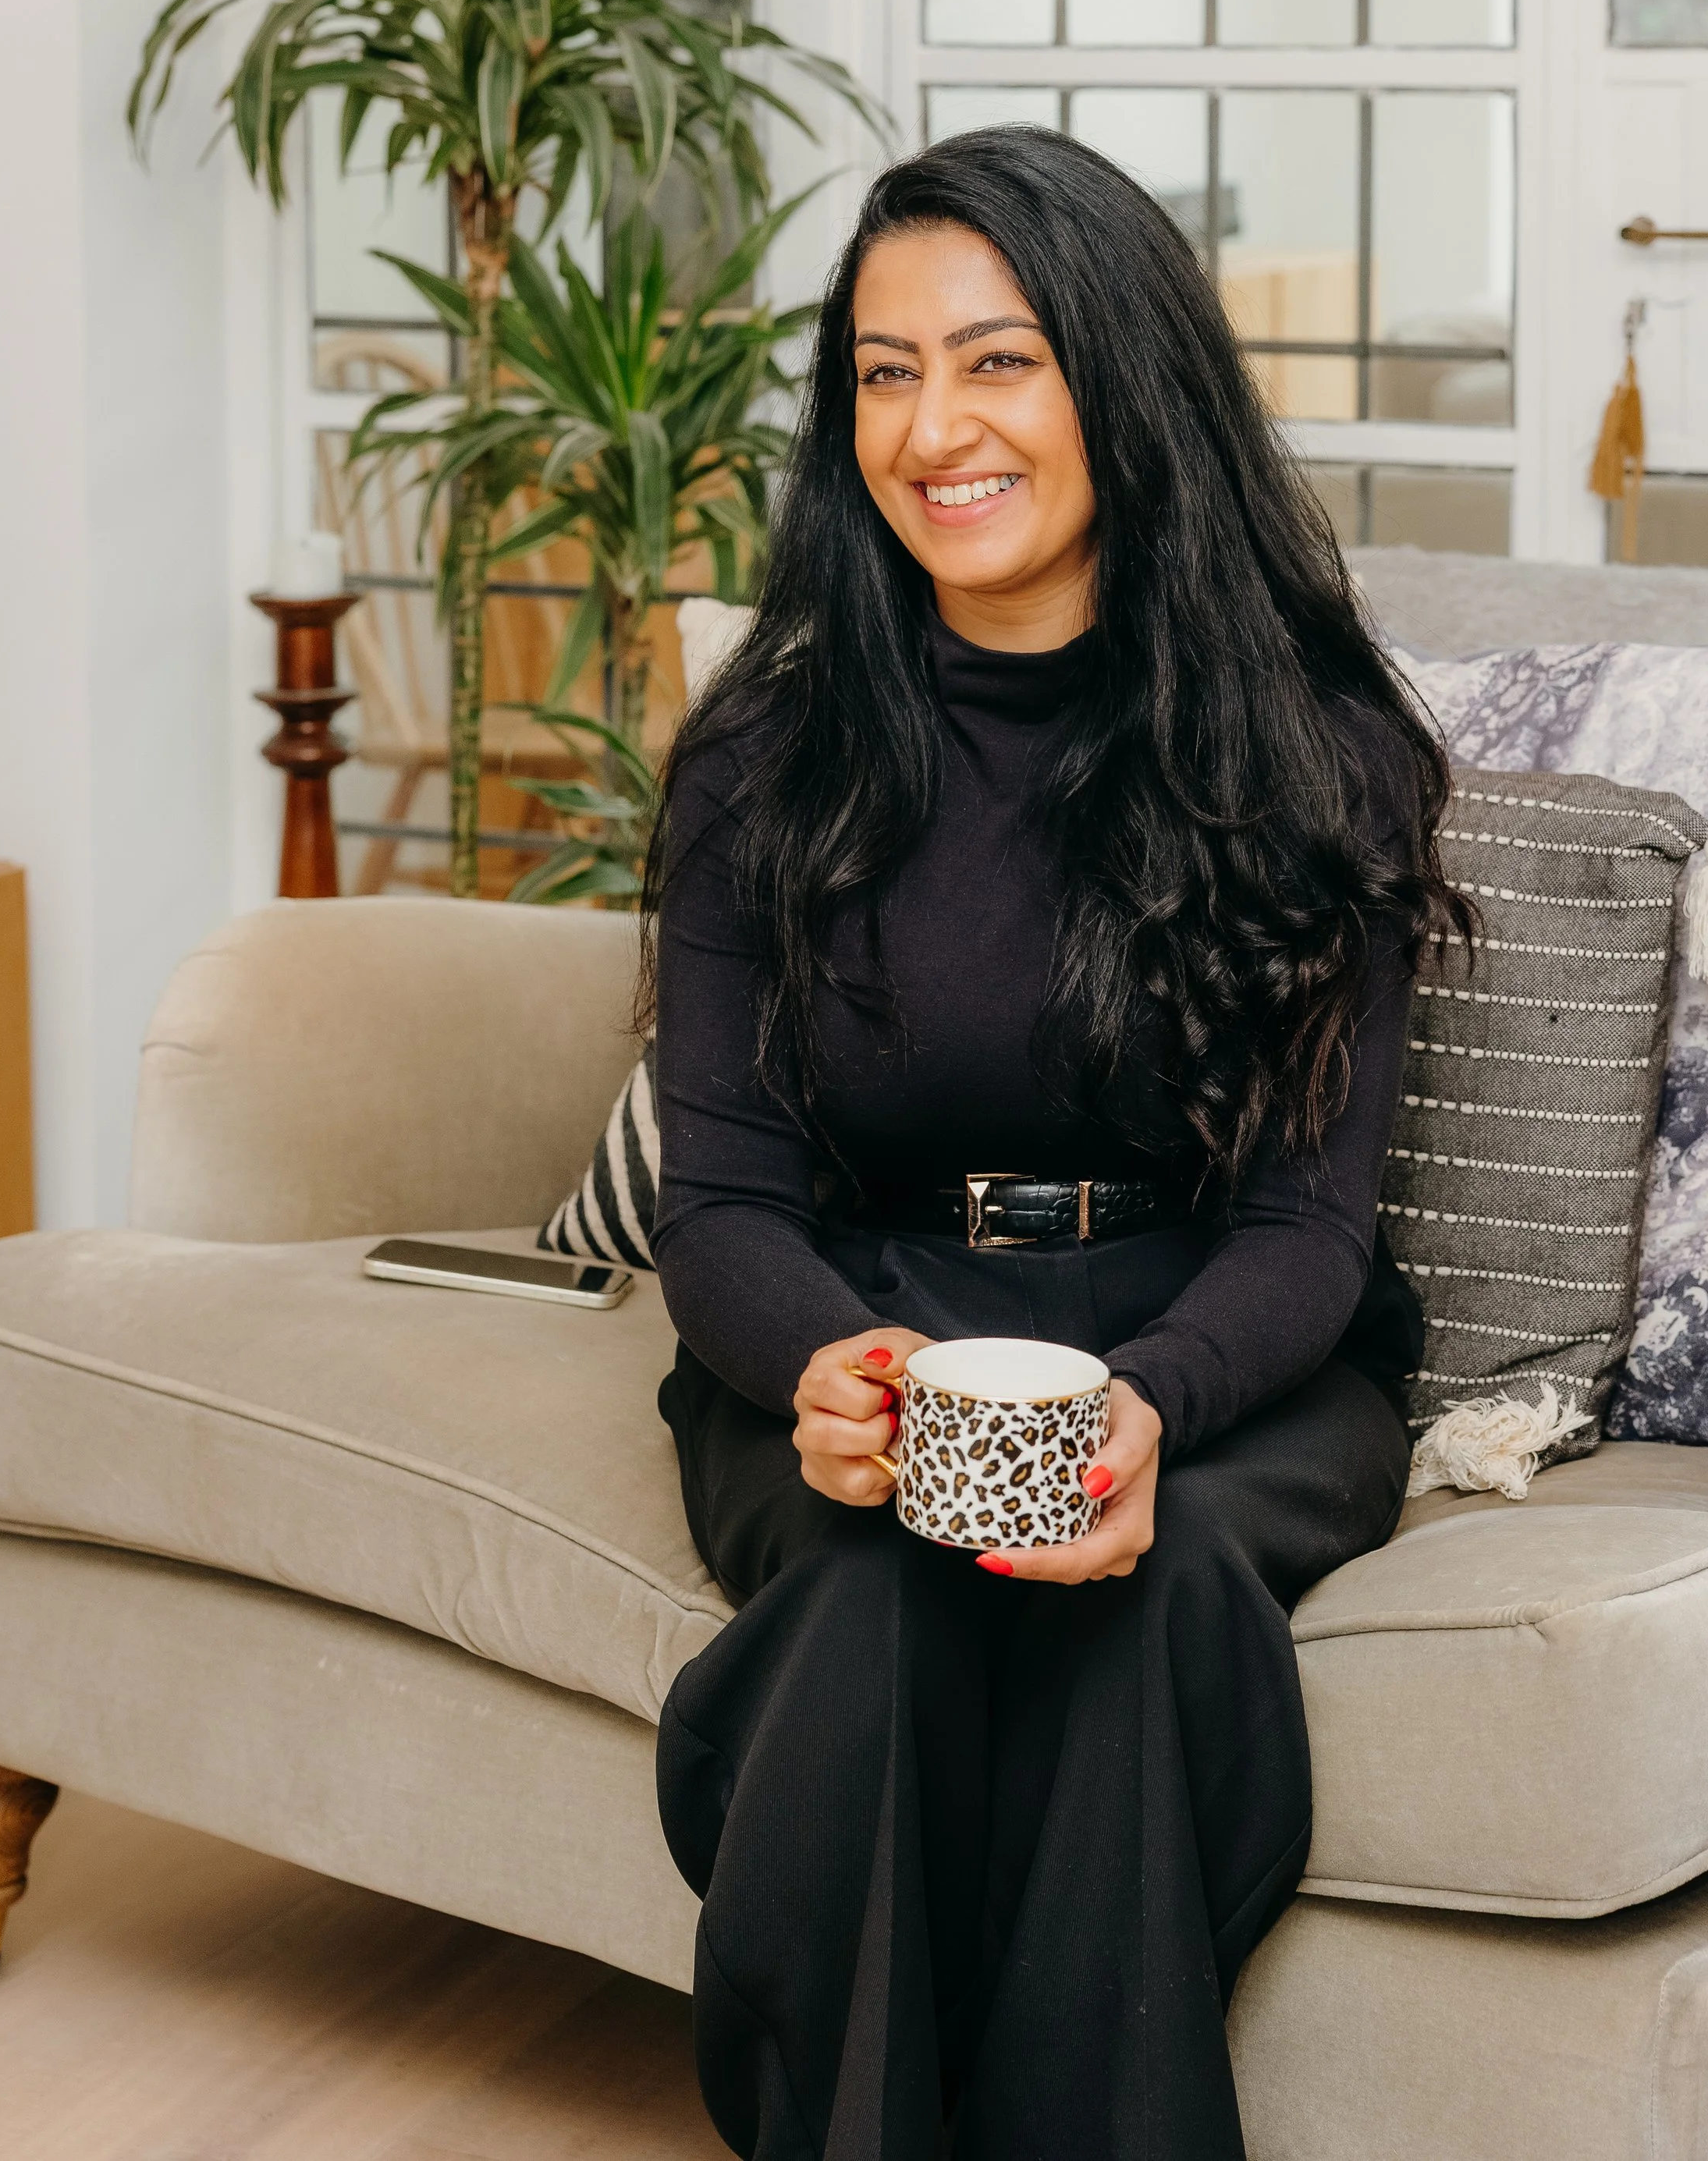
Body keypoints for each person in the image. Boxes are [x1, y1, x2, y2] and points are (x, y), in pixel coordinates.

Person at [642, 126, 1464, 2161]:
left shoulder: (1315, 756)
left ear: (1118, 374)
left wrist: (1147, 1406)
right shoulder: (766, 753)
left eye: (996, 360)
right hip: (879, 1312)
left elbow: (1302, 1225)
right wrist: (818, 1366)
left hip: (1217, 1332)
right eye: (883, 372)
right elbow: (727, 1199)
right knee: (870, 1594)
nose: (934, 428)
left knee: (1148, 1577)